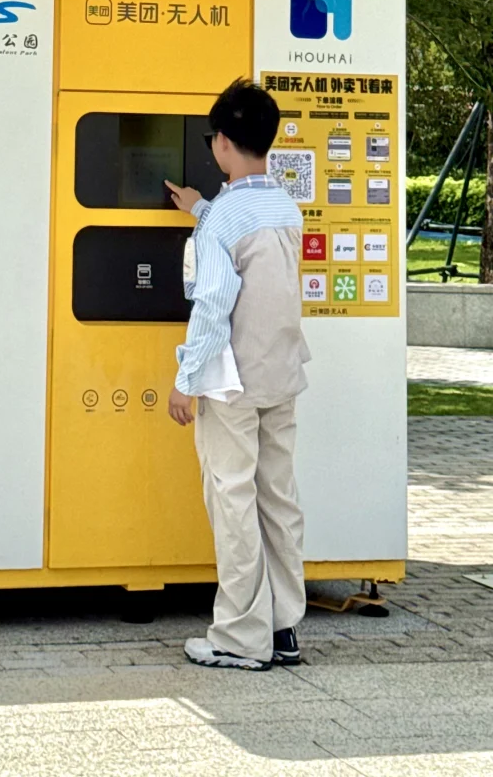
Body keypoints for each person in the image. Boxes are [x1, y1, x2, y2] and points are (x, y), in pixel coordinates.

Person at [164, 78, 309, 672]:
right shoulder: (284, 206)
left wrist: (185, 379)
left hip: (231, 381)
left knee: (233, 499)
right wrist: (200, 208)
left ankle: (240, 638)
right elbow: (251, 247)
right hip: (281, 374)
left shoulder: (224, 218)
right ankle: (283, 627)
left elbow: (214, 304)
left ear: (222, 141)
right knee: (277, 498)